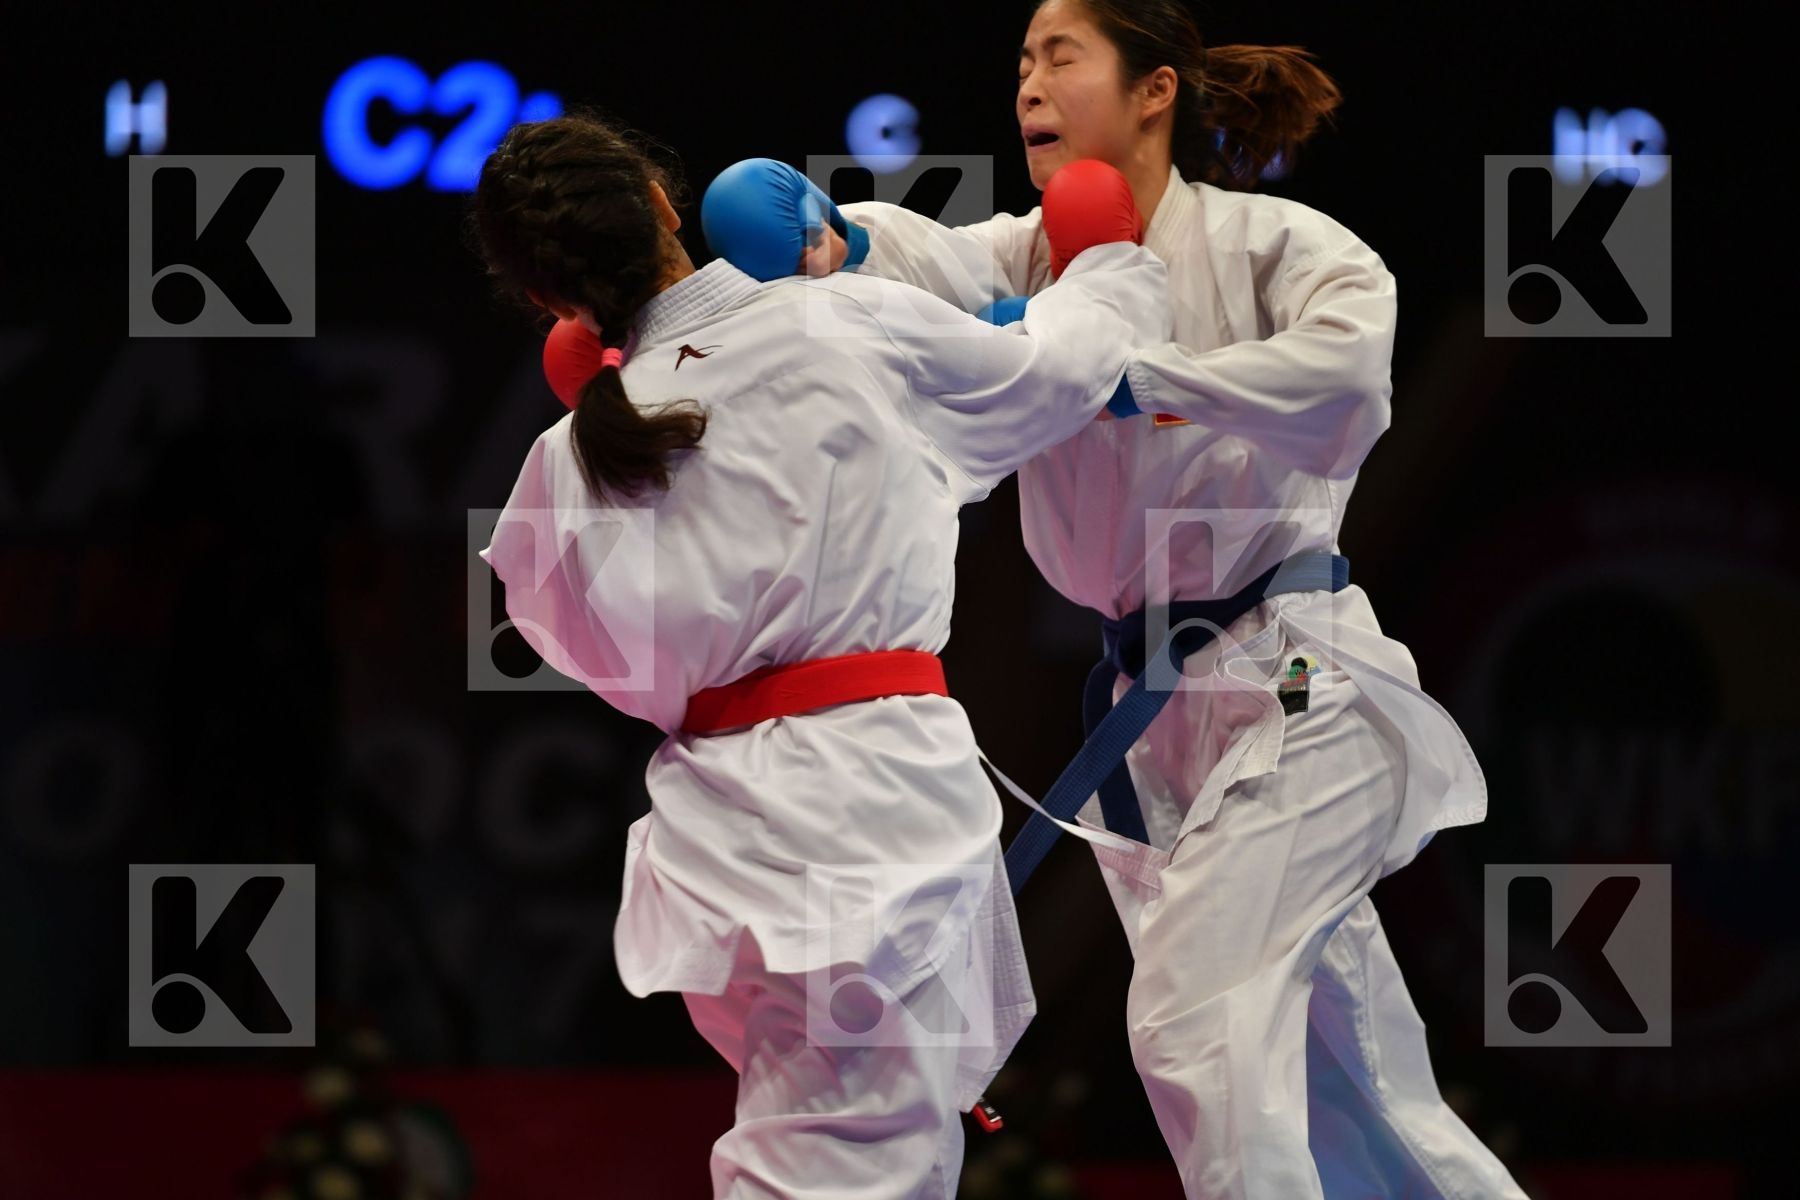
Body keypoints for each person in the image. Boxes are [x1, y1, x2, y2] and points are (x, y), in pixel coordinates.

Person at [708, 2, 1532, 1196]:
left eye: (1059, 58)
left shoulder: (1277, 246)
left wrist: (1127, 378)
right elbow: (906, 260)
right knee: (1351, 1085)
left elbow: (1348, 388)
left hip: (1300, 677)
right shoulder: (1023, 260)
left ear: (1155, 91)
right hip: (1159, 723)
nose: (1028, 87)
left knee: (1196, 1020)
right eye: (1020, 65)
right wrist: (830, 239)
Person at [469, 110, 1169, 1198]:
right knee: (852, 1157)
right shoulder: (836, 324)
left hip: (722, 819)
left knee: (864, 1142)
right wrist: (1105, 263)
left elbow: (601, 659)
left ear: (549, 301)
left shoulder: (565, 457)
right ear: (665, 202)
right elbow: (1056, 373)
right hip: (862, 804)